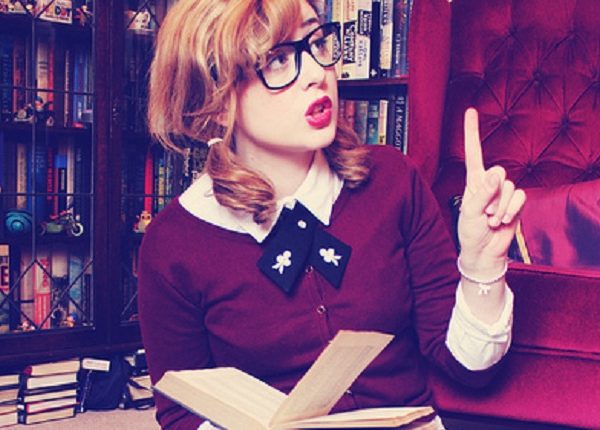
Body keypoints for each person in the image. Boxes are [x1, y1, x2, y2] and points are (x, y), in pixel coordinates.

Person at [138, 0, 527, 429]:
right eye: (278, 59)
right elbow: (182, 412)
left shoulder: (393, 181)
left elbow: (470, 369)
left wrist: (481, 268)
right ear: (216, 101)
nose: (317, 73)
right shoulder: (174, 243)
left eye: (316, 43)